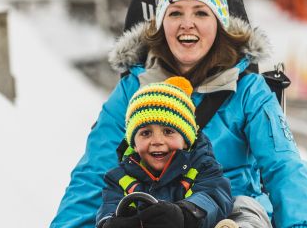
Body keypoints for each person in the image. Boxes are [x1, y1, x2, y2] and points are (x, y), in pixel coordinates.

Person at [51, 0, 307, 228]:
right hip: (156, 213)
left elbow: (283, 167)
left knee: (243, 211)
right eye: (175, 13)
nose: (187, 24)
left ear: (219, 24)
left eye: (201, 13)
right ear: (161, 24)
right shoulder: (133, 90)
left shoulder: (248, 91)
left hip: (233, 213)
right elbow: (94, 172)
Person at [96, 76, 234, 228]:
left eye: (168, 131)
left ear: (186, 140)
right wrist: (112, 223)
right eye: (146, 133)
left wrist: (184, 214)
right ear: (134, 144)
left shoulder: (203, 167)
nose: (157, 141)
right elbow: (108, 207)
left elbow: (213, 199)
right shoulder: (119, 178)